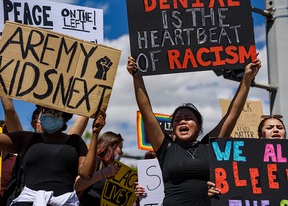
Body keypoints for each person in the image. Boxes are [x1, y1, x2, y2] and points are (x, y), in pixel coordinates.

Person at [127, 55, 261, 206]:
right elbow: (146, 111)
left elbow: (232, 115)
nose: (183, 121)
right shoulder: (166, 147)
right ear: (172, 128)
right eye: (178, 119)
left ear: (198, 125)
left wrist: (246, 80)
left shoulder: (209, 146)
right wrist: (137, 76)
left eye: (188, 118)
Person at [0, 105, 106, 205]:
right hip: (28, 202)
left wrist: (95, 133)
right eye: (45, 111)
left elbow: (86, 174)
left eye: (55, 113)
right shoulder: (28, 139)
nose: (49, 115)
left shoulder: (75, 142)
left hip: (65, 203)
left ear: (64, 117)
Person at [75, 131, 124, 206]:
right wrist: (103, 173)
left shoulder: (111, 168)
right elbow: (77, 185)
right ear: (111, 147)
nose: (122, 152)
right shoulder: (96, 161)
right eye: (120, 148)